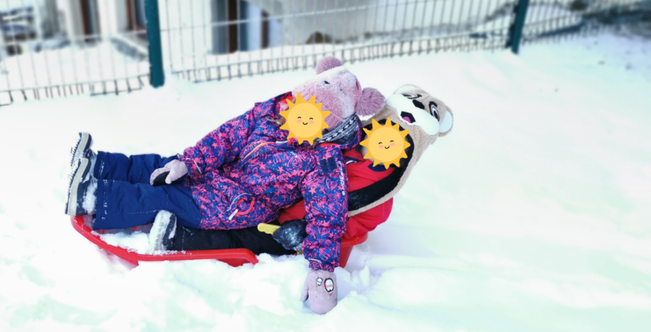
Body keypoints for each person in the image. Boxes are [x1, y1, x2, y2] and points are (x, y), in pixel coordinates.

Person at [66, 57, 385, 314]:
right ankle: (98, 165)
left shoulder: (324, 161)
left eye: (318, 112)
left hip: (235, 204)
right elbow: (229, 135)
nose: (303, 113)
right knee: (160, 164)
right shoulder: (275, 111)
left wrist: (322, 269)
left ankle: (95, 196)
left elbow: (326, 216)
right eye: (305, 103)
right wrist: (189, 162)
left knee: (162, 197)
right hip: (220, 171)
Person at [149, 84, 454, 271]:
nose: (384, 142)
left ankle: (181, 238)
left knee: (248, 236)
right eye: (383, 128)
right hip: (271, 195)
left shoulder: (379, 199)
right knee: (225, 196)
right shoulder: (345, 146)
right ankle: (171, 195)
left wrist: (304, 232)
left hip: (286, 225)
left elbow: (343, 223)